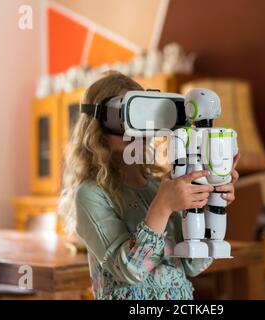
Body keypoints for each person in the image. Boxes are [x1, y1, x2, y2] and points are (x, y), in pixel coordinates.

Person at [58, 71, 239, 300]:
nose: (138, 130)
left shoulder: (161, 186)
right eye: (126, 118)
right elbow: (131, 270)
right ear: (99, 127)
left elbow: (193, 264)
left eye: (145, 117)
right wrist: (162, 208)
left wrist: (211, 199)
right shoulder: (91, 195)